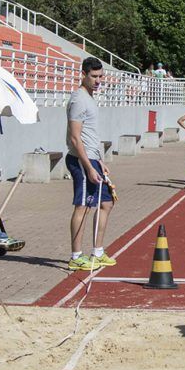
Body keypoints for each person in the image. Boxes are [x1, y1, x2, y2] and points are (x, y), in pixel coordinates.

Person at [65, 57, 116, 271]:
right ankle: (76, 256)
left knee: (106, 203)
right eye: (93, 76)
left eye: (100, 76)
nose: (98, 81)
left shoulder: (90, 98)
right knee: (83, 206)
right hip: (81, 160)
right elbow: (75, 137)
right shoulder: (78, 100)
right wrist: (88, 166)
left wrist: (100, 161)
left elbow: (90, 134)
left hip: (93, 159)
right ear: (84, 74)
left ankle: (97, 251)